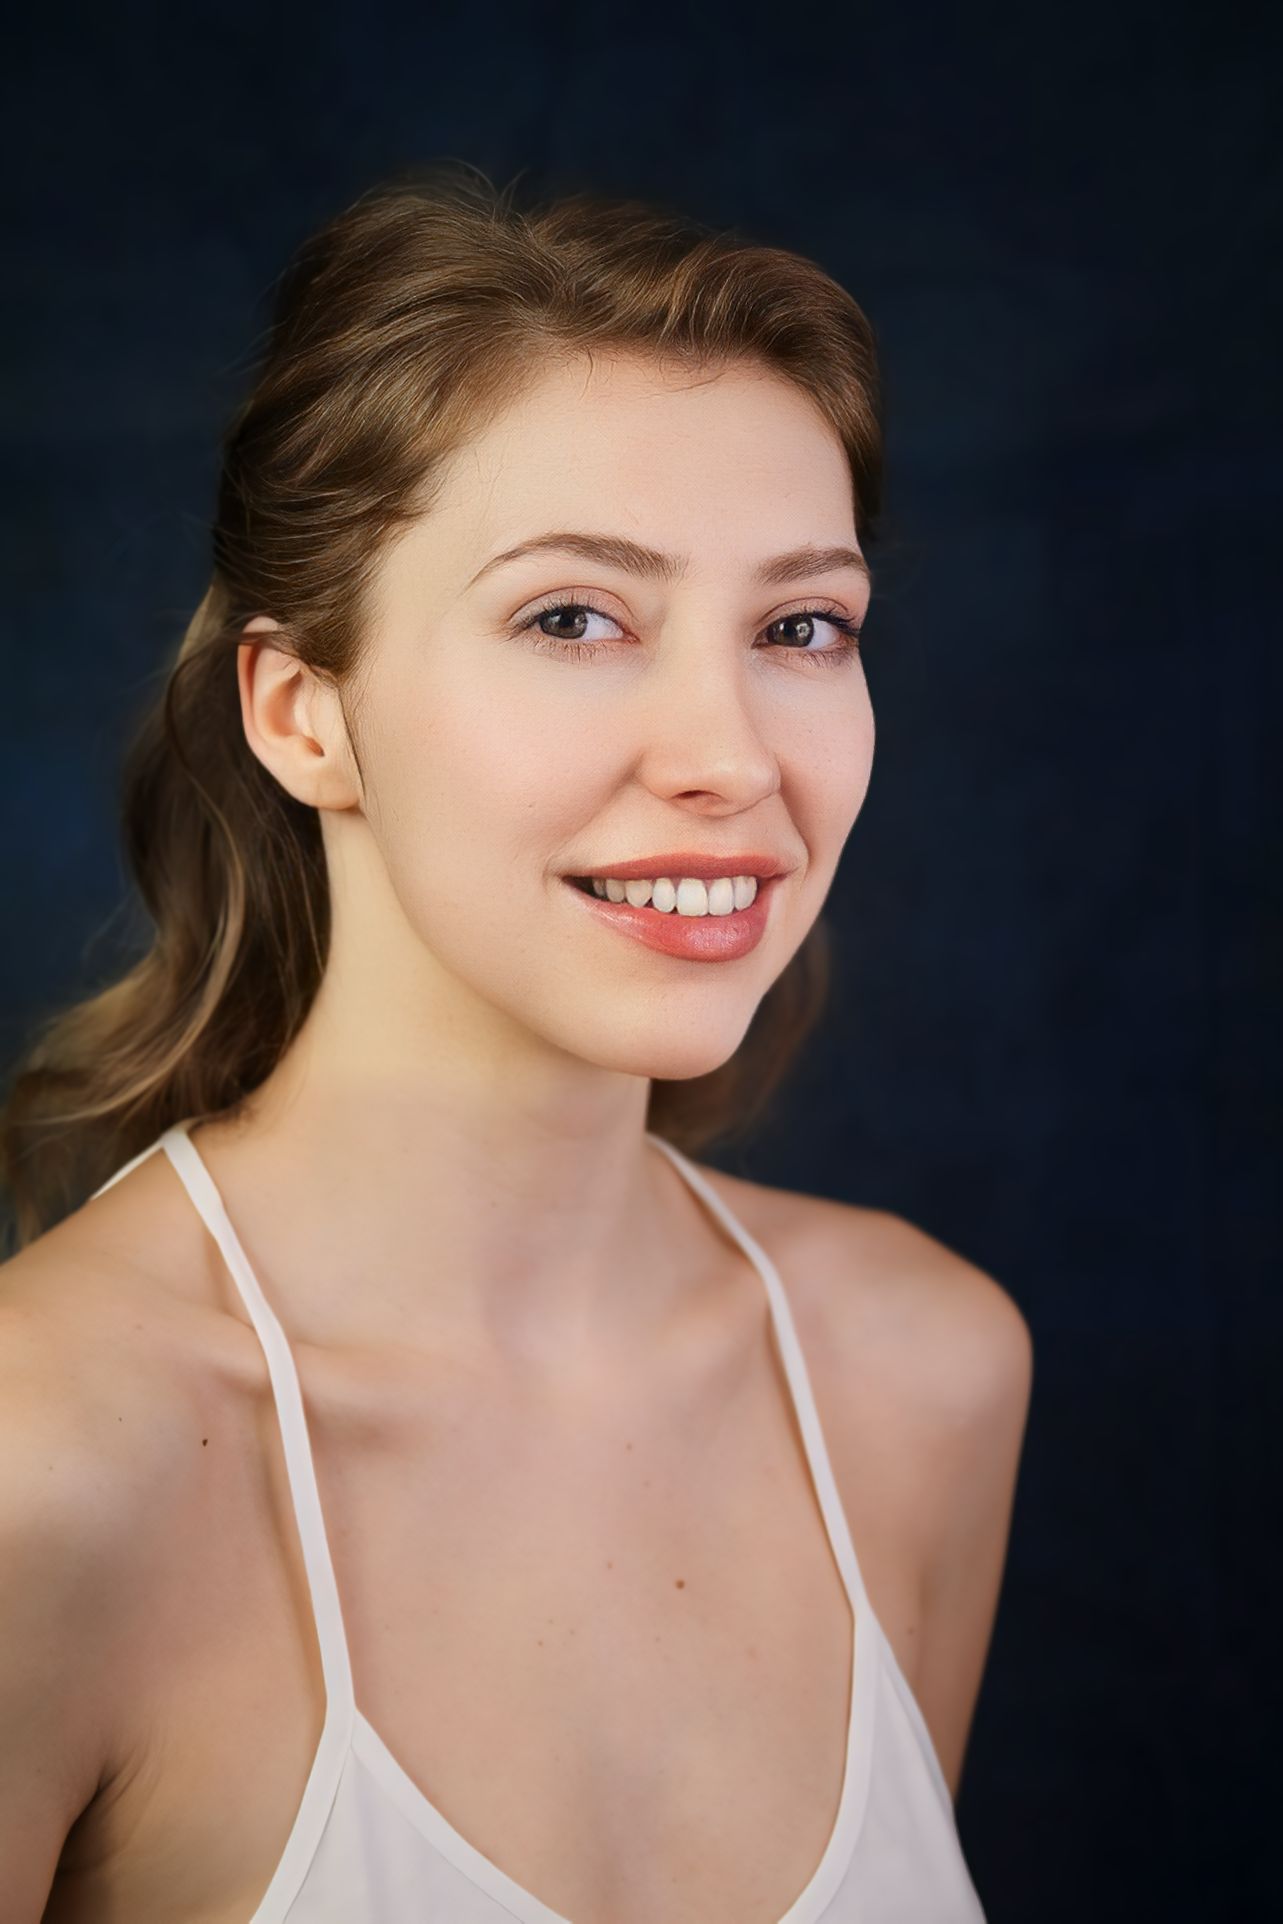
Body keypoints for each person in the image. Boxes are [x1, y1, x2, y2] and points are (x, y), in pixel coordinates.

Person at [0, 163, 1032, 1924]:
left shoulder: (923, 1378)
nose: (732, 757)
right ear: (302, 712)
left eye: (800, 627)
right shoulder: (47, 1463)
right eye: (574, 618)